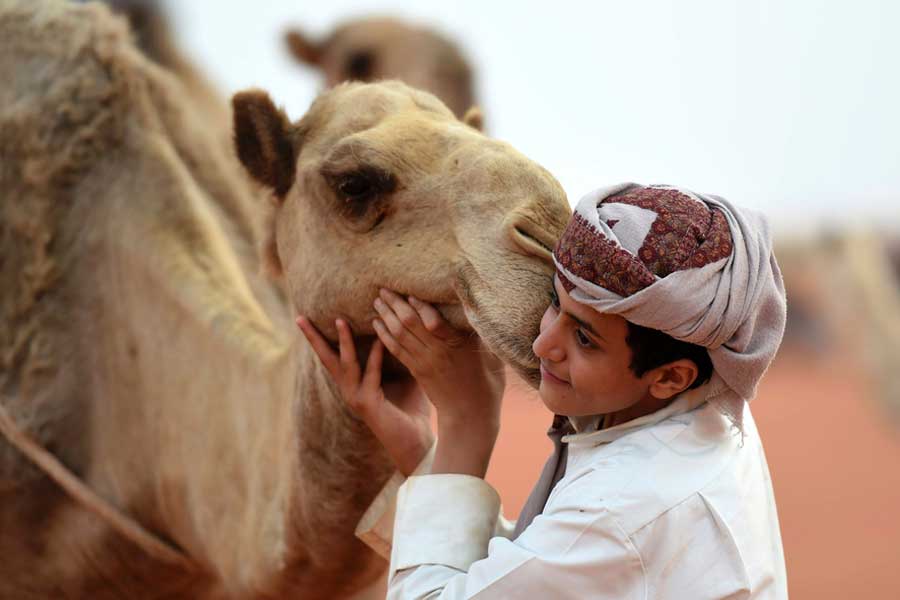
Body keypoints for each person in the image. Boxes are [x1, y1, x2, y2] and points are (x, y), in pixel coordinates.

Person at [297, 183, 788, 599]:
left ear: (669, 376)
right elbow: (540, 569)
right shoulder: (702, 410)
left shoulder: (623, 508)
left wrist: (467, 420)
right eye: (557, 303)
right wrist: (423, 455)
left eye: (584, 339)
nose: (542, 343)